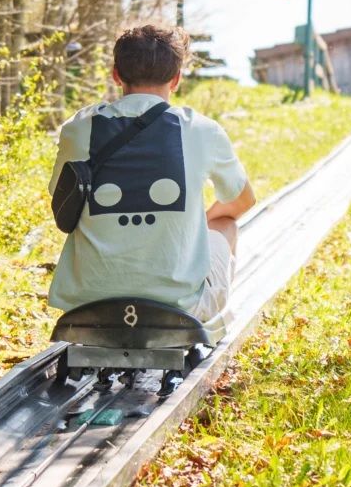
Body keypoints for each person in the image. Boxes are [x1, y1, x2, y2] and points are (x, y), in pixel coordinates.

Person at [47, 24, 256, 321]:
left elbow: (60, 194)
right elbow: (243, 201)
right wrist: (199, 224)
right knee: (226, 225)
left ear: (116, 74)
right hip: (179, 307)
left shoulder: (79, 128)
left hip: (88, 303)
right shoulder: (201, 129)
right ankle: (209, 316)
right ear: (176, 79)